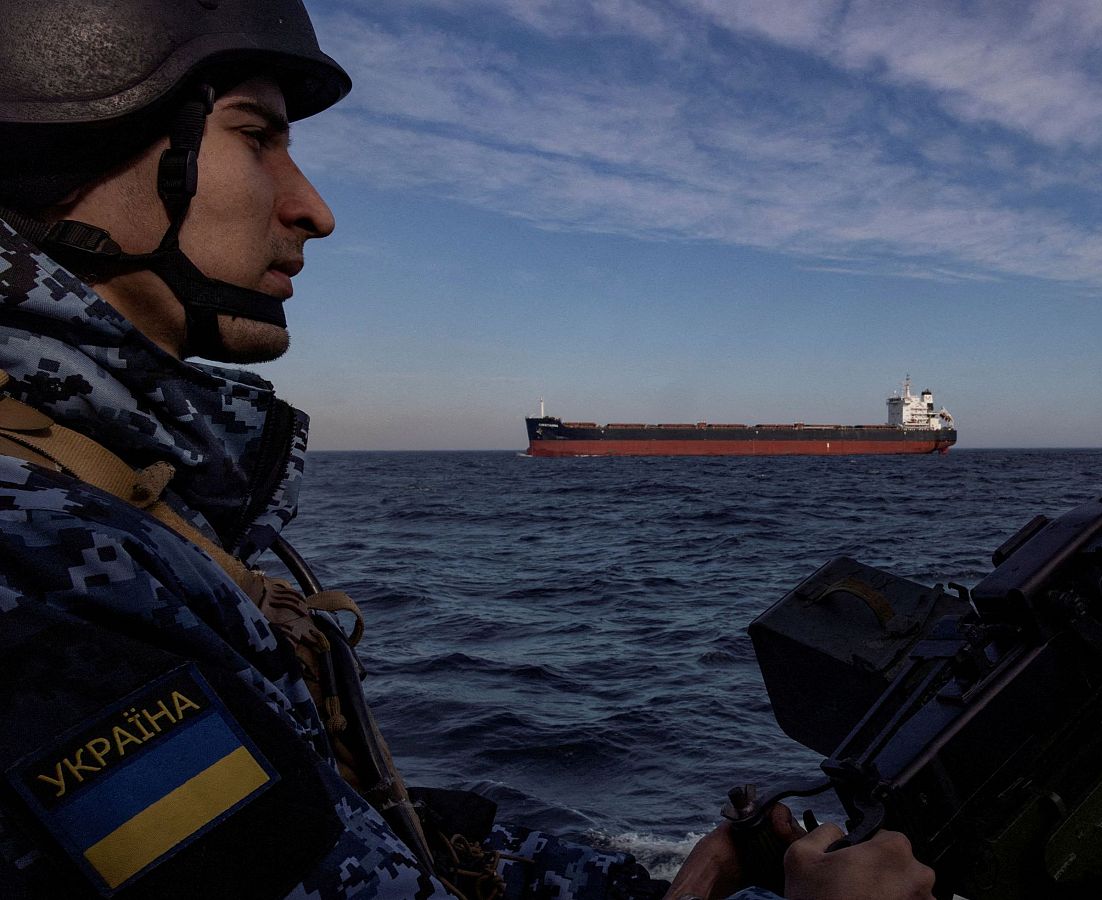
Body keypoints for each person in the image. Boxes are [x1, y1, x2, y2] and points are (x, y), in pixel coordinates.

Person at [0, 1, 936, 898]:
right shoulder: (36, 567)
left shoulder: (126, 498)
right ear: (71, 143)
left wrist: (688, 881)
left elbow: (349, 839)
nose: (315, 209)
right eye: (256, 136)